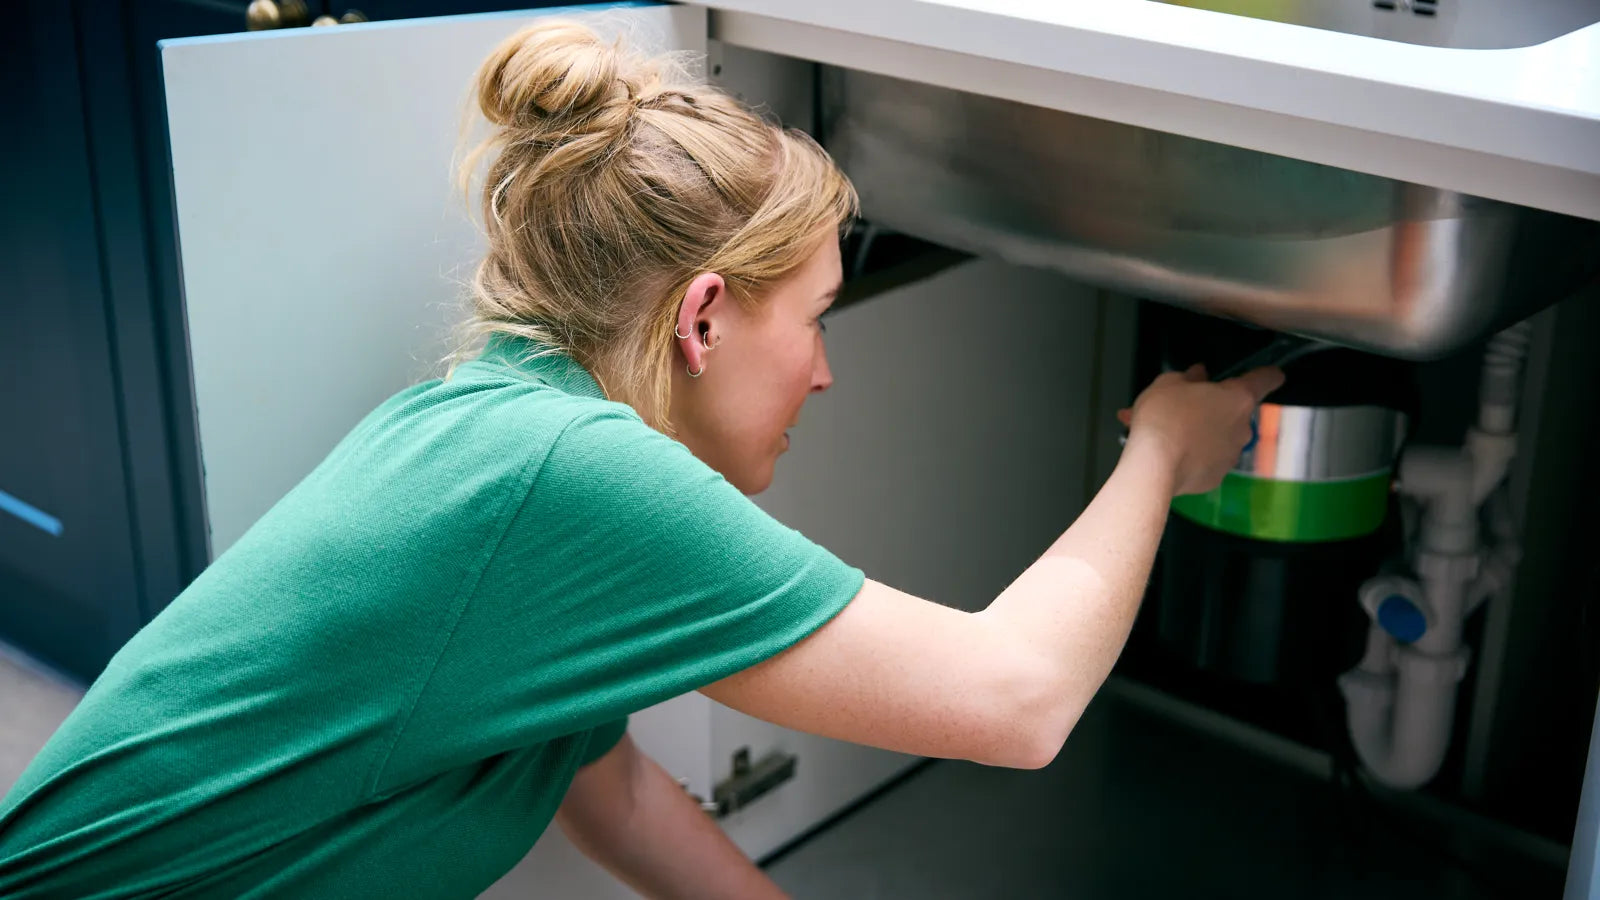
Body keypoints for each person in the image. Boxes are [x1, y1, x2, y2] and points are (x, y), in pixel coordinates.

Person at [0, 20, 1283, 899]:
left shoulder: (504, 428)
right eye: (817, 320)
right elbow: (1015, 700)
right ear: (705, 316)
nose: (826, 373)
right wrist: (1160, 449)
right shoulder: (571, 475)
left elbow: (617, 800)